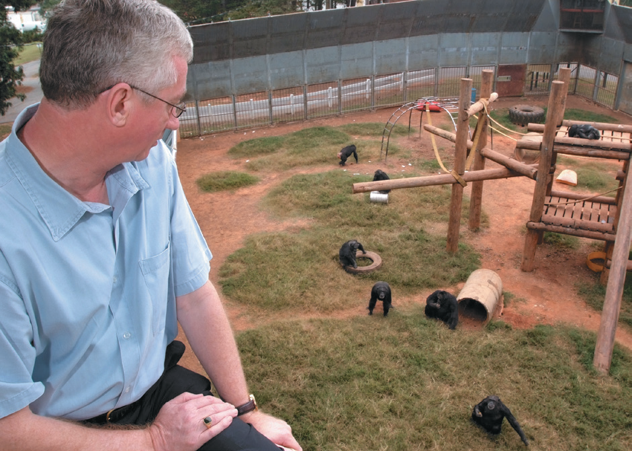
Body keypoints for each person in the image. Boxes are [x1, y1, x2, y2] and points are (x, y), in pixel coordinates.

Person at [0, 1, 302, 450]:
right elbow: (9, 429)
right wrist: (156, 442)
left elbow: (194, 294)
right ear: (120, 102)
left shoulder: (152, 164)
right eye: (171, 105)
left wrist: (246, 411)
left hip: (155, 398)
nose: (173, 122)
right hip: (54, 433)